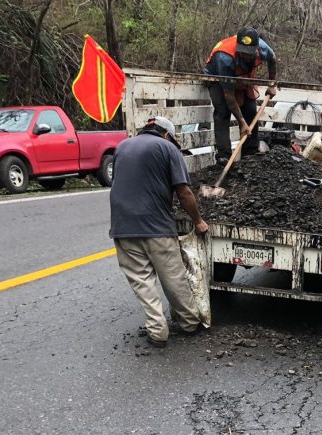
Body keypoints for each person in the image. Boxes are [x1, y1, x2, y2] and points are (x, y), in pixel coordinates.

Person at [109, 116, 209, 348]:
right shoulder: (167, 148)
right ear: (167, 134)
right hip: (157, 228)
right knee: (173, 278)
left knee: (142, 282)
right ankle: (189, 323)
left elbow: (120, 183)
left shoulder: (122, 146)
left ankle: (157, 332)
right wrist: (198, 221)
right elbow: (183, 192)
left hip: (123, 228)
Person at [204, 26, 278, 163]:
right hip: (218, 78)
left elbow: (272, 60)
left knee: (250, 111)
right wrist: (241, 122)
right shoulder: (224, 58)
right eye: (242, 52)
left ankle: (250, 154)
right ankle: (224, 156)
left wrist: (272, 84)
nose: (245, 55)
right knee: (223, 111)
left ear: (256, 48)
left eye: (249, 53)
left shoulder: (263, 48)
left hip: (243, 76)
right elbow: (229, 96)